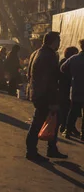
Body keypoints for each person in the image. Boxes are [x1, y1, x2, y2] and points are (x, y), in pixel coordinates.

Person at [25, 31, 67, 161]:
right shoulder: (49, 56)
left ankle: (50, 148)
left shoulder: (37, 53)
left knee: (44, 121)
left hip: (38, 93)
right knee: (38, 122)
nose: (59, 43)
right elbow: (50, 80)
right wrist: (53, 100)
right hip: (45, 95)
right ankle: (32, 151)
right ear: (54, 41)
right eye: (58, 41)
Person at [60, 39, 84, 141]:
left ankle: (67, 131)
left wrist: (73, 75)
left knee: (73, 112)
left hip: (76, 89)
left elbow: (62, 68)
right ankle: (83, 134)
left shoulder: (74, 58)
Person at [58, 46, 79, 135]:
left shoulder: (64, 61)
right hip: (65, 88)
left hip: (64, 88)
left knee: (66, 109)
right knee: (66, 109)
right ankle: (66, 127)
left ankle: (66, 126)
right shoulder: (66, 62)